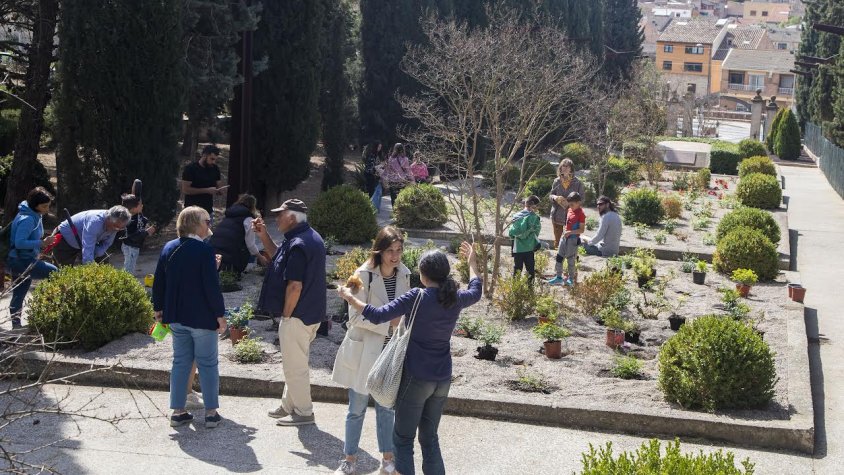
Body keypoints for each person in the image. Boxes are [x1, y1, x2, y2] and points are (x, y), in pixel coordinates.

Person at [338, 243, 482, 475]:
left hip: (416, 378)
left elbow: (377, 315)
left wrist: (349, 297)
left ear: (423, 276)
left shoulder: (417, 297)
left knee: (403, 439)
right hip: (442, 378)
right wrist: (472, 263)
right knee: (430, 438)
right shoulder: (454, 298)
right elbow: (476, 290)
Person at [332, 226, 409, 475]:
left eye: (399, 250)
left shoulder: (405, 275)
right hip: (366, 350)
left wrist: (401, 325)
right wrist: (389, 323)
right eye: (390, 250)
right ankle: (349, 459)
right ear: (379, 250)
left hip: (390, 352)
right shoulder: (361, 275)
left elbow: (406, 314)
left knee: (387, 409)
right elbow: (354, 317)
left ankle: (387, 460)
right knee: (356, 408)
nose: (395, 256)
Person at [152, 206, 226, 429]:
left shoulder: (169, 247)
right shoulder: (204, 250)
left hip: (176, 316)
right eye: (207, 221)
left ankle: (178, 411)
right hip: (201, 317)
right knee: (208, 364)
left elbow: (159, 281)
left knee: (181, 362)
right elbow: (211, 287)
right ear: (196, 223)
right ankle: (211, 412)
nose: (209, 225)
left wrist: (158, 308)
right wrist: (220, 315)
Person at [255, 199, 326, 427]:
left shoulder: (299, 243)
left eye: (280, 215)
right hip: (310, 313)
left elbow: (295, 286)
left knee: (295, 368)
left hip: (297, 315)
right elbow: (277, 257)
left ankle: (304, 412)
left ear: (292, 218)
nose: (276, 219)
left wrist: (286, 315)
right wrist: (264, 236)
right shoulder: (305, 237)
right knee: (295, 363)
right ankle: (288, 405)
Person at [7, 187, 57, 329]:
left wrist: (42, 241)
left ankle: (16, 326)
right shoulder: (28, 219)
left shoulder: (33, 213)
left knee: (20, 291)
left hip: (18, 259)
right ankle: (51, 311)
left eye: (48, 205)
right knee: (55, 273)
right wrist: (42, 243)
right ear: (35, 205)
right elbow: (19, 242)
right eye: (44, 206)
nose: (47, 209)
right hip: (21, 260)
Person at [52, 206, 131, 266]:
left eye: (120, 228)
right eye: (116, 226)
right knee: (61, 271)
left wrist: (96, 254)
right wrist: (89, 267)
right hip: (64, 240)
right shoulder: (95, 222)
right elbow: (88, 246)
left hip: (82, 243)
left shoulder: (115, 226)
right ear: (108, 218)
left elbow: (106, 244)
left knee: (103, 259)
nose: (117, 230)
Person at [209, 194, 266, 275]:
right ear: (253, 205)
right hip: (230, 260)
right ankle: (245, 268)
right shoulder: (248, 219)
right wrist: (261, 258)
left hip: (213, 255)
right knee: (250, 248)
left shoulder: (228, 216)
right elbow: (250, 245)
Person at [548, 191, 585, 287]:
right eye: (570, 204)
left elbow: (581, 230)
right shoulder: (569, 210)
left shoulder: (581, 214)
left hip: (572, 239)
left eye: (572, 204)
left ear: (578, 203)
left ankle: (571, 279)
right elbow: (567, 223)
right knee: (559, 257)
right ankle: (559, 277)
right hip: (564, 238)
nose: (571, 206)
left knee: (570, 260)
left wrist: (571, 232)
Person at [181, 144, 226, 223]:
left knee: (206, 235)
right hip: (192, 211)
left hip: (207, 211)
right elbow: (186, 190)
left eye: (215, 160)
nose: (213, 162)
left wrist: (220, 190)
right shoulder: (191, 169)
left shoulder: (215, 169)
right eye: (212, 159)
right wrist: (207, 190)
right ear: (204, 155)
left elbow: (218, 185)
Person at [549, 158, 585, 250]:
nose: (564, 168)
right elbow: (550, 195)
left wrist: (571, 203)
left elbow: (582, 199)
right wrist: (555, 198)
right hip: (557, 215)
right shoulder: (557, 181)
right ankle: (558, 262)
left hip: (572, 217)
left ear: (571, 169)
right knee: (557, 242)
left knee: (571, 242)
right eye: (562, 166)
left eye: (567, 166)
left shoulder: (577, 182)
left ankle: (570, 261)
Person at [120, 187, 156, 275]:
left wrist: (147, 224)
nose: (142, 205)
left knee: (129, 264)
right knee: (129, 266)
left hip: (132, 246)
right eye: (140, 205)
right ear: (133, 208)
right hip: (130, 246)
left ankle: (125, 279)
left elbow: (143, 219)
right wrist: (146, 232)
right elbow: (134, 236)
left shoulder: (137, 214)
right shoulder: (130, 221)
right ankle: (126, 282)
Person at [507, 195, 541, 282]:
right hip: (529, 248)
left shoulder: (516, 217)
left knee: (517, 268)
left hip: (518, 248)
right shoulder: (535, 218)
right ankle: (530, 289)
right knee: (530, 269)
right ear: (534, 206)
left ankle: (515, 288)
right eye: (537, 207)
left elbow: (511, 233)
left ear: (526, 204)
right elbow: (536, 232)